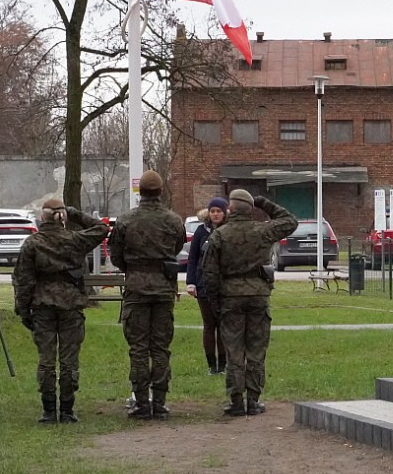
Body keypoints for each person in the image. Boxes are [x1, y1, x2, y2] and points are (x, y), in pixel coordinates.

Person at [12, 198, 111, 424]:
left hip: (42, 305)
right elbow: (102, 228)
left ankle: (48, 410)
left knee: (46, 359)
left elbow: (24, 280)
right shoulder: (75, 240)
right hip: (71, 304)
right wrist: (75, 214)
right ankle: (67, 409)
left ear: (42, 218)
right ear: (63, 217)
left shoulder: (32, 244)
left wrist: (23, 310)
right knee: (69, 359)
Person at [201, 189, 297, 416]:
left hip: (230, 297)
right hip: (258, 295)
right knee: (256, 349)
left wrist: (216, 303)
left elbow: (210, 274)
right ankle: (253, 400)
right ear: (251, 208)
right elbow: (290, 221)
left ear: (230, 209)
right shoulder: (263, 231)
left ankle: (236, 400)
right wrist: (264, 202)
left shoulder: (220, 235)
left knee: (234, 350)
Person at [106, 170, 185, 420]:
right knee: (161, 348)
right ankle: (160, 401)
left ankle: (141, 402)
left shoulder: (126, 220)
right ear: (161, 191)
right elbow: (178, 246)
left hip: (136, 288)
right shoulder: (173, 220)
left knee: (139, 348)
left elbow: (116, 254)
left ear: (140, 192)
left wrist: (133, 267)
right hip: (163, 288)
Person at [186, 198, 228, 375]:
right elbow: (193, 258)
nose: (216, 214)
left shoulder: (229, 231)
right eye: (213, 211)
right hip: (204, 285)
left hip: (225, 286)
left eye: (219, 211)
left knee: (224, 326)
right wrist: (191, 282)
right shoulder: (201, 231)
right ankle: (212, 365)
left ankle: (224, 365)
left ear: (225, 212)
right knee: (209, 325)